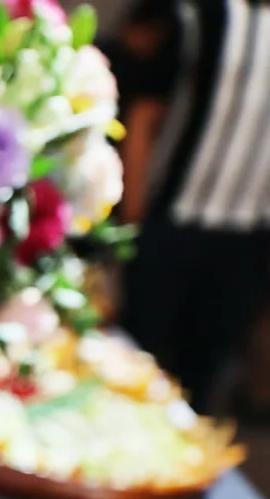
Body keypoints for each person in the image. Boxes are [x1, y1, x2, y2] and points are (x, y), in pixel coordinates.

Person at [118, 0, 270, 412]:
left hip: (251, 232)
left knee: (202, 373)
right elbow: (144, 115)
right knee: (136, 359)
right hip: (173, 217)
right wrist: (134, 216)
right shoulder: (199, 17)